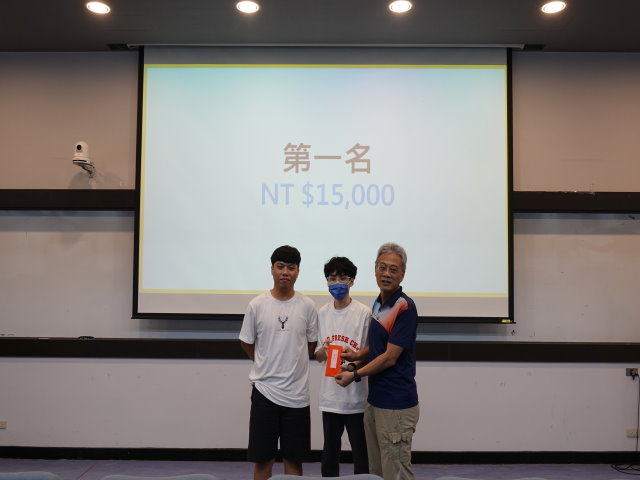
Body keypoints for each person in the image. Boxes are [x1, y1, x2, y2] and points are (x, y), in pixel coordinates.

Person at [335, 242, 419, 480]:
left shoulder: (405, 307)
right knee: (377, 473)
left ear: (402, 275)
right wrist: (356, 357)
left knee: (396, 473)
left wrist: (355, 374)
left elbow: (390, 357)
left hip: (396, 406)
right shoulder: (379, 302)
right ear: (374, 270)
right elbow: (378, 347)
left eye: (393, 269)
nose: (386, 274)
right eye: (382, 267)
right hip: (375, 401)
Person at [239, 245, 319, 480]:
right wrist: (265, 362)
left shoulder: (308, 306)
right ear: (272, 269)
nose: (285, 272)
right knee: (263, 459)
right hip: (265, 392)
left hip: (297, 395)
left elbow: (311, 345)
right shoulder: (256, 305)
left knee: (294, 460)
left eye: (291, 268)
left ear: (298, 272)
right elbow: (246, 342)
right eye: (280, 266)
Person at [315, 256, 371, 477]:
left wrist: (352, 366)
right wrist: (324, 350)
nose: (336, 283)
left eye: (342, 278)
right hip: (330, 396)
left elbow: (370, 353)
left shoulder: (364, 313)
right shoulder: (322, 313)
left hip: (356, 396)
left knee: (361, 452)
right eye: (332, 278)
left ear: (352, 281)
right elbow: (318, 356)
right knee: (330, 451)